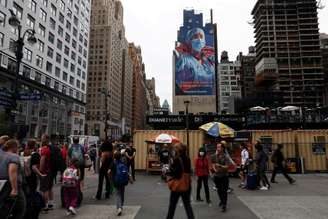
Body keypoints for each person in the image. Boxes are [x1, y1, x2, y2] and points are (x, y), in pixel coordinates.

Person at [175, 27, 215, 95]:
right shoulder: (184, 60)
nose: (199, 39)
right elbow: (180, 83)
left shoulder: (209, 61)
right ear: (189, 42)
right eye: (195, 37)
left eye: (201, 36)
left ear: (204, 41)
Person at [166, 144, 194, 219]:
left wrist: (169, 171)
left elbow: (177, 174)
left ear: (178, 150)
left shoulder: (177, 159)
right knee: (187, 205)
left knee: (172, 205)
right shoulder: (188, 158)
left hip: (177, 185)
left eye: (175, 149)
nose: (174, 150)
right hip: (186, 184)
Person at [0, 139, 26, 219]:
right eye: (18, 147)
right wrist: (14, 189)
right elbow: (12, 171)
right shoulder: (13, 156)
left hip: (1, 184)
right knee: (20, 208)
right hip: (10, 185)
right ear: (14, 147)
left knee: (3, 207)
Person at [23, 139, 45, 219]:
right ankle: (31, 212)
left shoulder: (23, 153)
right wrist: (40, 175)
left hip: (24, 177)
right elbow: (34, 167)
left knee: (26, 194)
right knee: (32, 194)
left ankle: (25, 210)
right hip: (32, 177)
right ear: (35, 145)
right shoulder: (35, 155)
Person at [108, 151, 130, 216]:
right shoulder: (123, 162)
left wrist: (110, 179)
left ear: (114, 157)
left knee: (118, 194)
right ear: (120, 156)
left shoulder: (113, 163)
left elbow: (108, 172)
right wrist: (130, 179)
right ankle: (121, 206)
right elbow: (126, 172)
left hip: (116, 181)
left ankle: (119, 208)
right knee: (122, 193)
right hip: (123, 181)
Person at [211, 143, 231, 212]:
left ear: (222, 148)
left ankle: (224, 205)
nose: (218, 148)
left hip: (224, 176)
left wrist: (220, 166)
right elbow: (213, 163)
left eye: (219, 147)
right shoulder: (214, 156)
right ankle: (221, 200)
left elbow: (227, 166)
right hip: (217, 176)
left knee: (224, 191)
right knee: (219, 190)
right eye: (217, 147)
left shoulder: (226, 157)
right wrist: (214, 169)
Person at [39, 134, 54, 212]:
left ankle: (45, 205)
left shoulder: (44, 149)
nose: (41, 139)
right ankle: (51, 204)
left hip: (45, 171)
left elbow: (42, 161)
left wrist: (40, 171)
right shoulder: (51, 148)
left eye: (42, 138)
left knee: (44, 189)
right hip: (51, 171)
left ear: (46, 139)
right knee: (50, 187)